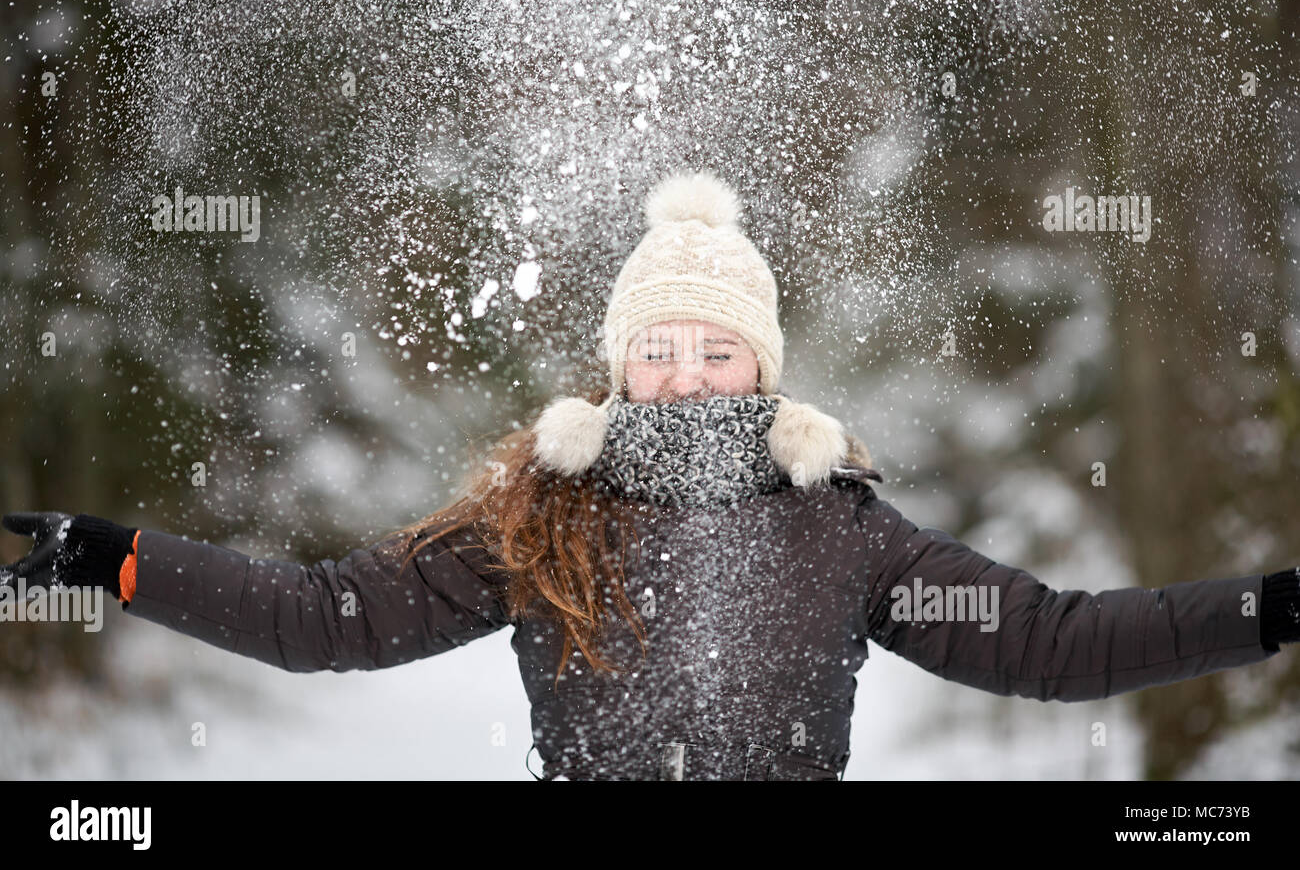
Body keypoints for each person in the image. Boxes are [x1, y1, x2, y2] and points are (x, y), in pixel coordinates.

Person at [3, 170, 1298, 781]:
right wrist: (112, 556)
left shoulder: (838, 525)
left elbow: (1046, 645)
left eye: (714, 348)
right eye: (658, 350)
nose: (684, 374)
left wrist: (1264, 612)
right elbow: (323, 620)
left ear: (762, 370)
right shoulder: (539, 518)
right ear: (620, 369)